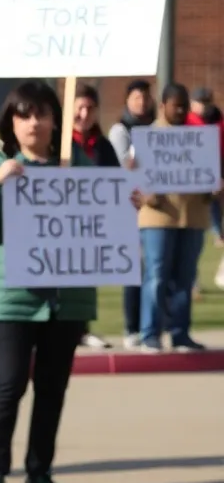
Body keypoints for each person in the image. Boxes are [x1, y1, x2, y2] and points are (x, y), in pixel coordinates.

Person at [0, 80, 138, 483]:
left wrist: (125, 202)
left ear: (54, 120)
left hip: (67, 298)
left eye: (42, 113)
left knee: (52, 388)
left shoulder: (78, 164)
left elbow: (105, 216)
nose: (35, 122)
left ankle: (39, 475)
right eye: (25, 114)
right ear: (11, 121)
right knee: (9, 384)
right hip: (13, 298)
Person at [137, 83, 211, 353]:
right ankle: (149, 334)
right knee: (156, 276)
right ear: (162, 106)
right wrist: (144, 193)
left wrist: (213, 187)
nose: (179, 110)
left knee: (185, 278)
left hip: (192, 217)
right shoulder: (148, 137)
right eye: (174, 105)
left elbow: (208, 177)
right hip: (158, 218)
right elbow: (132, 177)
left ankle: (180, 334)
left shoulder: (199, 138)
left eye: (183, 105)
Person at [69, 84, 121, 350]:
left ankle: (83, 328)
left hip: (92, 223)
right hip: (60, 223)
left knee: (85, 276)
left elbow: (115, 183)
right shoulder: (59, 142)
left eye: (90, 108)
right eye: (79, 107)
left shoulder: (103, 146)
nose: (84, 113)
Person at [108, 79, 155, 348]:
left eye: (144, 97)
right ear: (127, 100)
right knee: (135, 270)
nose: (141, 102)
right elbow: (126, 165)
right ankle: (132, 327)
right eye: (136, 98)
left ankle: (153, 326)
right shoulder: (120, 130)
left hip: (156, 206)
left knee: (155, 270)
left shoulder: (156, 128)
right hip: (130, 207)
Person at [188, 87, 224, 246]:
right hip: (197, 165)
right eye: (200, 102)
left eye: (206, 102)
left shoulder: (220, 120)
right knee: (209, 200)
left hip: (220, 161)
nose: (203, 106)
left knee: (219, 198)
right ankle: (218, 233)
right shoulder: (187, 121)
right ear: (192, 103)